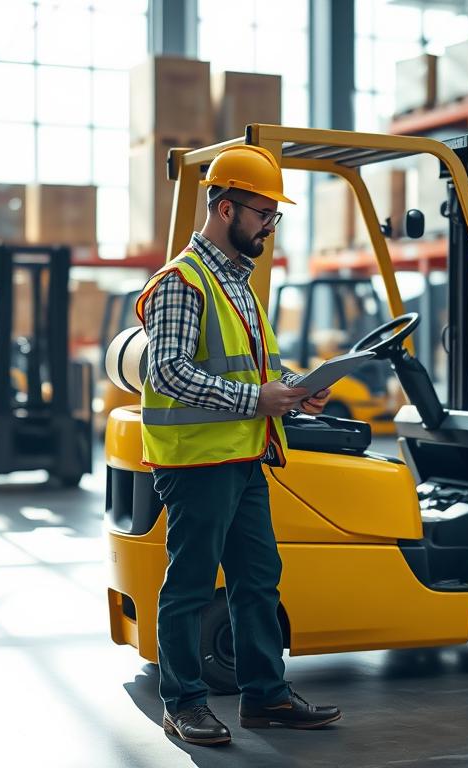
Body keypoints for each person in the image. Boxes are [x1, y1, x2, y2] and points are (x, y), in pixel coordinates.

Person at [136, 145, 342, 747]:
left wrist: (293, 392)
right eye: (262, 214)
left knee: (258, 580)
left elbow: (246, 369)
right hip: (199, 462)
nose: (268, 226)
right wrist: (257, 401)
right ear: (225, 209)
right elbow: (169, 372)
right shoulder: (182, 282)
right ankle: (183, 703)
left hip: (244, 454)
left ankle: (266, 695)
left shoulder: (238, 284)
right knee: (192, 585)